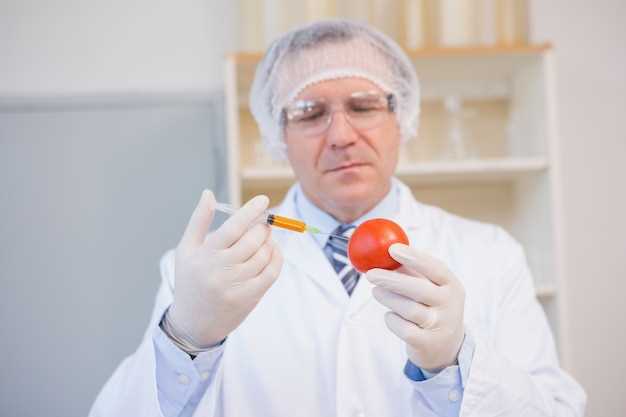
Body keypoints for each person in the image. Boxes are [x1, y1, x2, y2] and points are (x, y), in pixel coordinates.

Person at [89, 20, 586, 417]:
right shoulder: (206, 273)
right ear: (278, 134)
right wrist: (185, 339)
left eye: (363, 106)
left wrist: (455, 363)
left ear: (401, 119)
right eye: (309, 112)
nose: (341, 135)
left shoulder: (490, 254)